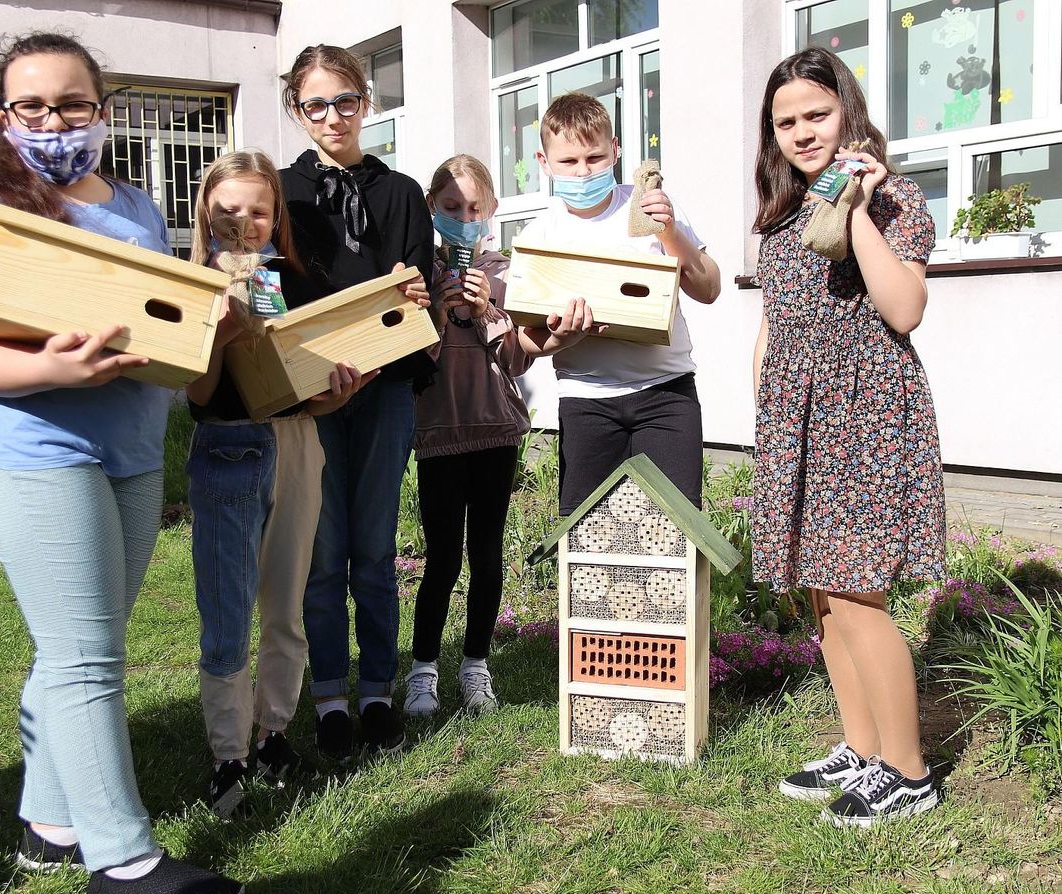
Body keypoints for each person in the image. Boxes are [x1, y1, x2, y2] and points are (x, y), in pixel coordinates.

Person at [0, 32, 243, 894]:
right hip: (34, 451)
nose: (53, 121)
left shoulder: (140, 210)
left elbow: (161, 336)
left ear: (102, 110)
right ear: (6, 118)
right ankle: (120, 866)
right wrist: (56, 368)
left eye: (72, 103)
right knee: (86, 658)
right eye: (31, 105)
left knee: (81, 642)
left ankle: (50, 822)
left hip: (133, 454)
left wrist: (209, 331)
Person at [751, 46, 945, 826]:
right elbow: (774, 319)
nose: (802, 132)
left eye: (817, 115)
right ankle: (864, 746)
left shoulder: (893, 198)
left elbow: (904, 308)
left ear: (849, 112)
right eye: (786, 121)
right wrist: (764, 409)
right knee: (824, 593)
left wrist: (859, 209)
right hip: (796, 415)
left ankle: (909, 770)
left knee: (860, 592)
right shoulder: (783, 209)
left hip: (862, 412)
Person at [184, 150, 372, 816]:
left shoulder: (290, 282)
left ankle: (273, 735)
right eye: (229, 209)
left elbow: (305, 397)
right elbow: (199, 393)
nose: (244, 221)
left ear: (274, 216)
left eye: (257, 210)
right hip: (227, 448)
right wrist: (223, 330)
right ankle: (227, 755)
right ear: (208, 213)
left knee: (287, 603)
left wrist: (342, 389)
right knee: (228, 613)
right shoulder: (195, 284)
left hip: (295, 444)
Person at [278, 44, 432, 762]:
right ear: (297, 110)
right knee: (321, 552)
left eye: (345, 100)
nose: (333, 116)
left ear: (365, 103)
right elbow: (274, 298)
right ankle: (330, 698)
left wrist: (370, 365)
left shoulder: (401, 192)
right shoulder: (282, 192)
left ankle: (377, 692)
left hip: (384, 392)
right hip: (307, 395)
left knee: (372, 550)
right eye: (316, 104)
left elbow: (413, 298)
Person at [514, 92, 721, 516]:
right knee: (588, 532)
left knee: (676, 529)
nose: (583, 171)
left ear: (615, 150)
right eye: (569, 162)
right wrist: (560, 339)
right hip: (586, 400)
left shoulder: (649, 208)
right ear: (544, 161)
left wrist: (669, 234)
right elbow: (526, 341)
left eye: (595, 158)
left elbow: (709, 288)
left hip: (666, 394)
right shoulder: (539, 236)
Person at [404, 155, 534, 717]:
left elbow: (517, 361)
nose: (463, 217)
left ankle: (477, 666)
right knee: (440, 557)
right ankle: (423, 670)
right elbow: (410, 358)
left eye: (474, 208)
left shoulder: (505, 271)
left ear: (492, 211)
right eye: (452, 207)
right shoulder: (417, 275)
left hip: (495, 429)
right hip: (438, 430)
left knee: (486, 552)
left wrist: (486, 312)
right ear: (433, 208)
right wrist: (437, 310)